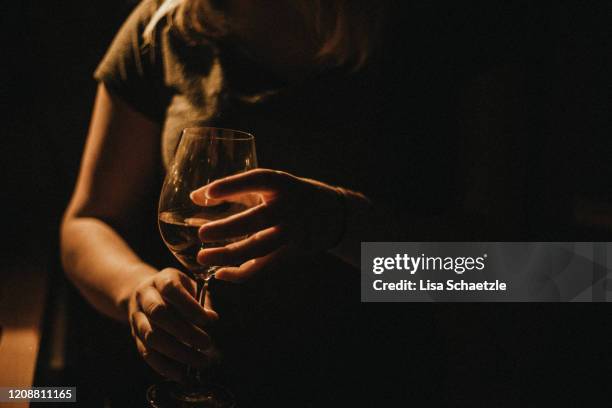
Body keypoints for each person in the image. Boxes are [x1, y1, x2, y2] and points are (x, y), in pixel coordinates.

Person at [61, 0, 533, 404]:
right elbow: (88, 222)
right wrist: (134, 289)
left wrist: (343, 225)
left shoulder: (442, 26)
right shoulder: (168, 22)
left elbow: (526, 274)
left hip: (377, 389)